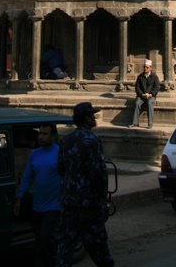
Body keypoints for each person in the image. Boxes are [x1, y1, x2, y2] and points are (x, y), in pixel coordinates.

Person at [55, 101, 114, 267]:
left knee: (65, 248)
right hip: (88, 203)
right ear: (87, 119)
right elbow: (98, 174)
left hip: (68, 201)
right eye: (92, 115)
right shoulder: (92, 141)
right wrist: (102, 201)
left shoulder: (66, 141)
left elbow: (60, 168)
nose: (94, 118)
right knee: (99, 247)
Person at [14, 123, 61, 267]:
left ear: (53, 136)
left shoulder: (60, 153)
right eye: (40, 133)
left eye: (45, 134)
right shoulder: (34, 154)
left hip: (54, 205)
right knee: (39, 241)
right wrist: (19, 198)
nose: (41, 137)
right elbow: (28, 177)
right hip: (37, 206)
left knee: (46, 238)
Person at [129, 59, 160, 129]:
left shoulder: (154, 77)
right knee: (137, 103)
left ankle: (150, 124)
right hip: (141, 96)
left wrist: (151, 94)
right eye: (144, 67)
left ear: (150, 68)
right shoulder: (140, 76)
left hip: (151, 96)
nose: (145, 69)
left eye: (147, 67)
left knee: (149, 103)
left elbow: (156, 87)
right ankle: (134, 123)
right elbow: (137, 87)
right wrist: (142, 94)